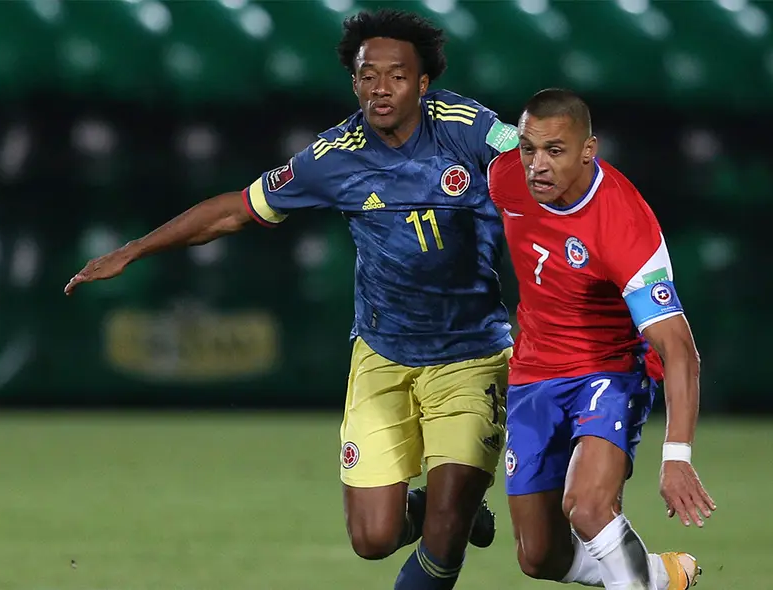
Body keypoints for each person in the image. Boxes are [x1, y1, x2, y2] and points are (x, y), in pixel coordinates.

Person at [64, 9, 524, 590]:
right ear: (354, 81)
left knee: (445, 530)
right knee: (373, 539)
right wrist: (134, 249)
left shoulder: (466, 126)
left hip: (470, 355)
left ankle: (451, 512)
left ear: (423, 83)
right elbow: (237, 208)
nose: (380, 87)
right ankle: (443, 505)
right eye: (367, 75)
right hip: (383, 356)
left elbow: (534, 158)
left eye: (397, 75)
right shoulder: (334, 156)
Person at [486, 88, 716, 590]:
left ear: (589, 150)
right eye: (529, 148)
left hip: (608, 369)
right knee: (539, 556)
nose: (537, 166)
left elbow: (679, 349)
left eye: (555, 150)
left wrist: (677, 457)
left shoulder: (624, 225)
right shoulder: (505, 177)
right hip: (534, 373)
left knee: (587, 506)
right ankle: (655, 575)